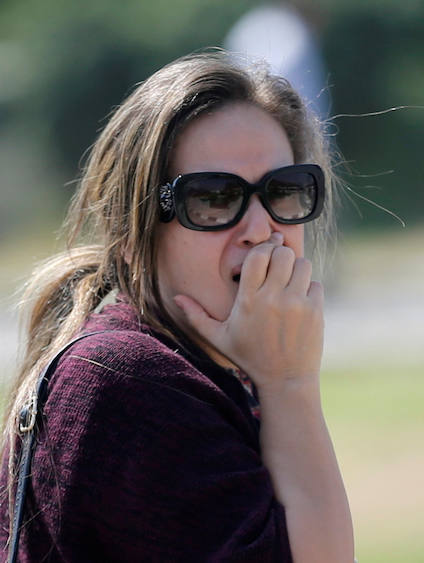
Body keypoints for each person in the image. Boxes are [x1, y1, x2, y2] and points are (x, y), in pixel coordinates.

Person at [0, 52, 353, 561]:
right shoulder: (127, 383)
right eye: (213, 198)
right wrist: (290, 384)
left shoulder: (195, 373)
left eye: (284, 191)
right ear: (131, 230)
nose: (260, 229)